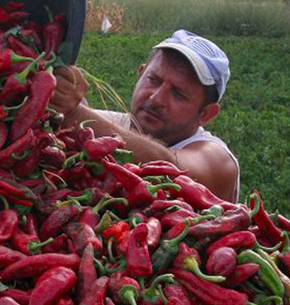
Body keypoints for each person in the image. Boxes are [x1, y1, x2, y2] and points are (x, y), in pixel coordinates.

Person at [51, 29, 240, 202]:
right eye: (153, 80)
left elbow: (168, 166)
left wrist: (74, 112)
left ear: (206, 114)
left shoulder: (219, 161)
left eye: (179, 94)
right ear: (140, 74)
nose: (157, 98)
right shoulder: (115, 123)